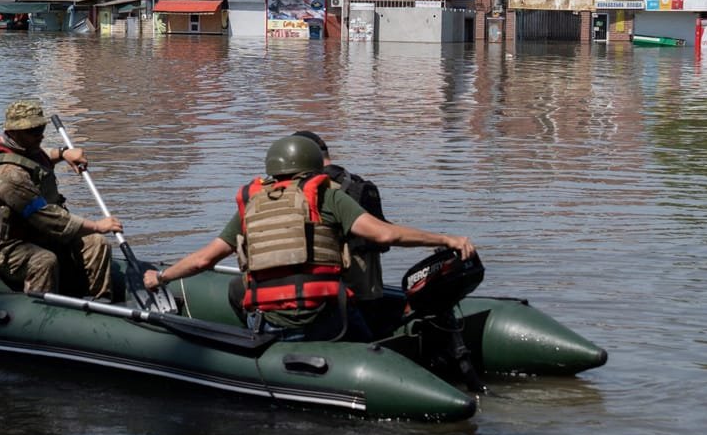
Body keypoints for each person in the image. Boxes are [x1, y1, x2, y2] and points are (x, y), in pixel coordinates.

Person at [143, 135, 475, 342]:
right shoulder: (327, 195)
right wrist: (446, 239)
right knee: (370, 336)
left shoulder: (252, 202)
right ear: (315, 166)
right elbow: (386, 233)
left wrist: (161, 276)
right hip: (325, 319)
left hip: (273, 324)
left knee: (238, 289)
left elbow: (205, 259)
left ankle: (258, 345)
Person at [0, 99, 123, 299]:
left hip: (35, 234)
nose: (40, 135)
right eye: (32, 131)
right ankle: (43, 315)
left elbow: (39, 157)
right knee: (44, 260)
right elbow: (48, 218)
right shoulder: (8, 176)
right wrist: (98, 225)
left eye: (41, 128)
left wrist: (64, 153)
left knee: (97, 243)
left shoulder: (23, 149)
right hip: (3, 248)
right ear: (14, 132)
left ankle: (101, 304)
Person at [290, 130, 395, 335]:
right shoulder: (356, 182)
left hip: (340, 287)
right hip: (372, 285)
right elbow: (383, 234)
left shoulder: (319, 190)